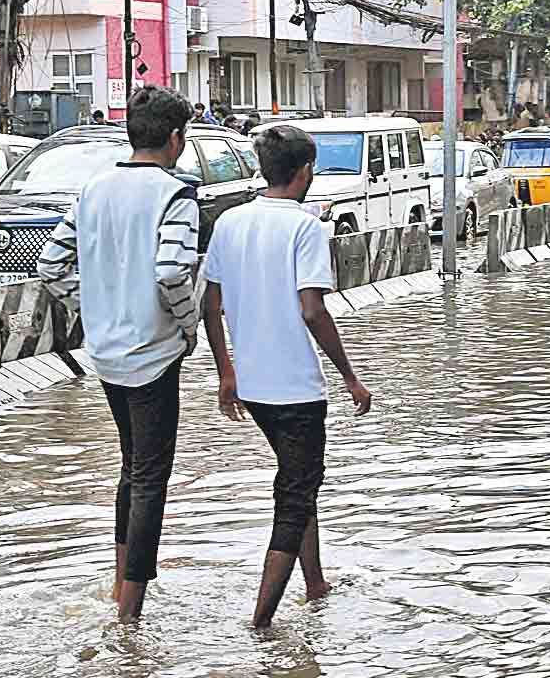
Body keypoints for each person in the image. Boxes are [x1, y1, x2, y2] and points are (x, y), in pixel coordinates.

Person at [37, 85, 200, 622]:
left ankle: (120, 582)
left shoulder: (93, 190)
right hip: (154, 353)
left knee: (132, 469)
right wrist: (188, 325)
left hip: (105, 353)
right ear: (176, 139)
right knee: (150, 475)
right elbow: (175, 272)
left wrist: (98, 306)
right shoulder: (175, 194)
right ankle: (130, 609)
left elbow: (51, 267)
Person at [202, 125, 372, 628]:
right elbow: (313, 310)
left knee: (297, 482)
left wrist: (225, 370)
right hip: (296, 387)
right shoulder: (304, 227)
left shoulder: (230, 222)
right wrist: (350, 376)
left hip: (252, 384)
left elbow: (211, 305)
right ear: (304, 173)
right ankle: (262, 622)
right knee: (295, 495)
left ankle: (315, 583)